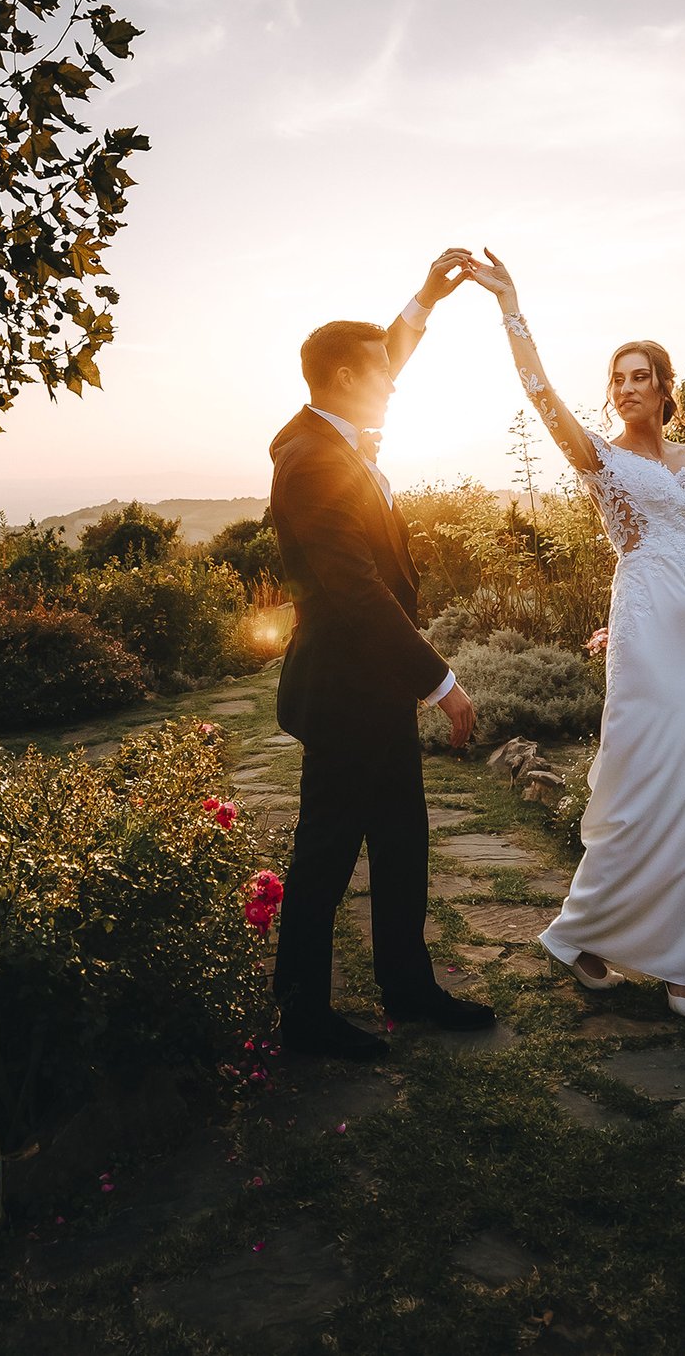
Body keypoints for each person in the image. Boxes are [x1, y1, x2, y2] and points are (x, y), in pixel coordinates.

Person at [463, 249, 685, 1019]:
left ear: (664, 386)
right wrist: (510, 305)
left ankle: (680, 960)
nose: (626, 388)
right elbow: (540, 393)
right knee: (642, 785)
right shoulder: (604, 460)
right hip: (645, 631)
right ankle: (589, 933)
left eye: (639, 376)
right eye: (617, 378)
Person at [268, 250, 494, 1059]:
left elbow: (386, 356)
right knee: (326, 854)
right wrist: (442, 682)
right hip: (343, 692)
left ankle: (409, 986)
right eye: (377, 375)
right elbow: (359, 591)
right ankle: (302, 1017)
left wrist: (427, 299)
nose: (393, 383)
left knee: (402, 842)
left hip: (375, 690)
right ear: (337, 377)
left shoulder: (333, 429)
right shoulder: (312, 462)